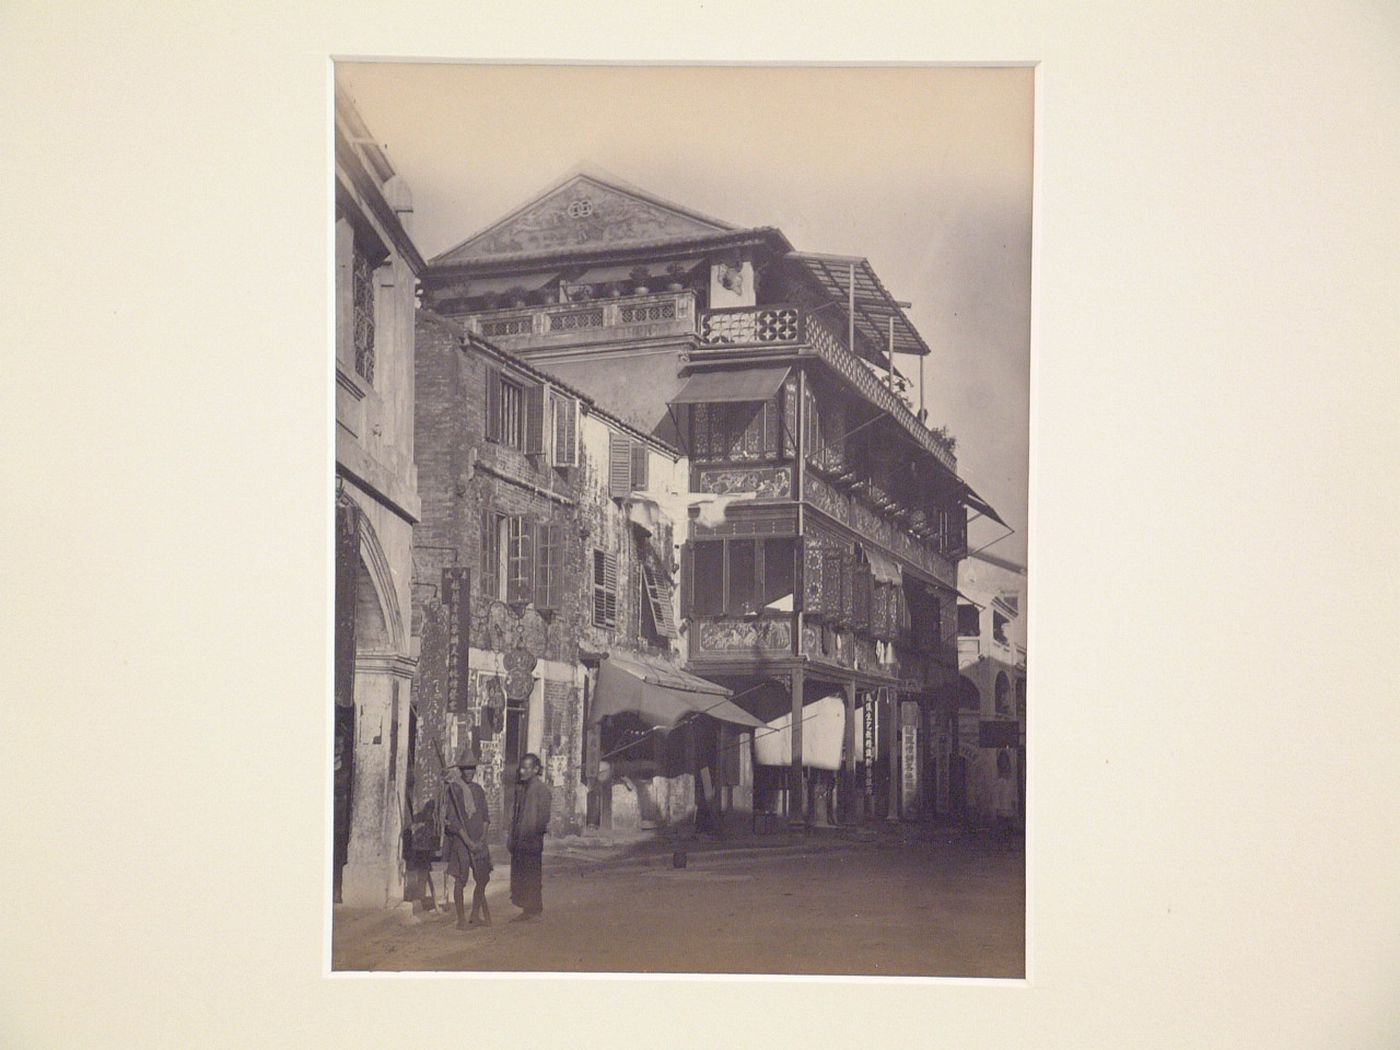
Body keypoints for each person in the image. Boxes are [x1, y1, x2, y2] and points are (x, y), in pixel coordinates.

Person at [443, 746, 492, 929]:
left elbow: (486, 817)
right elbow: (453, 821)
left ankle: (474, 914)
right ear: (460, 770)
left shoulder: (479, 790)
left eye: (471, 768)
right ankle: (461, 919)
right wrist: (468, 842)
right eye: (465, 769)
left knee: (483, 877)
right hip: (462, 842)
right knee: (460, 878)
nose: (468, 772)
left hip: (478, 841)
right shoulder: (454, 790)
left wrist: (481, 840)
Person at [506, 753, 551, 922]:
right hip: (519, 841)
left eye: (526, 768)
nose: (522, 771)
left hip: (531, 841)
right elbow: (516, 815)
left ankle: (535, 909)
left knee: (532, 875)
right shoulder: (521, 790)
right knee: (521, 875)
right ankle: (527, 908)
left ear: (536, 770)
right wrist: (513, 836)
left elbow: (543, 817)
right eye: (521, 768)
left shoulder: (541, 790)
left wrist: (533, 835)